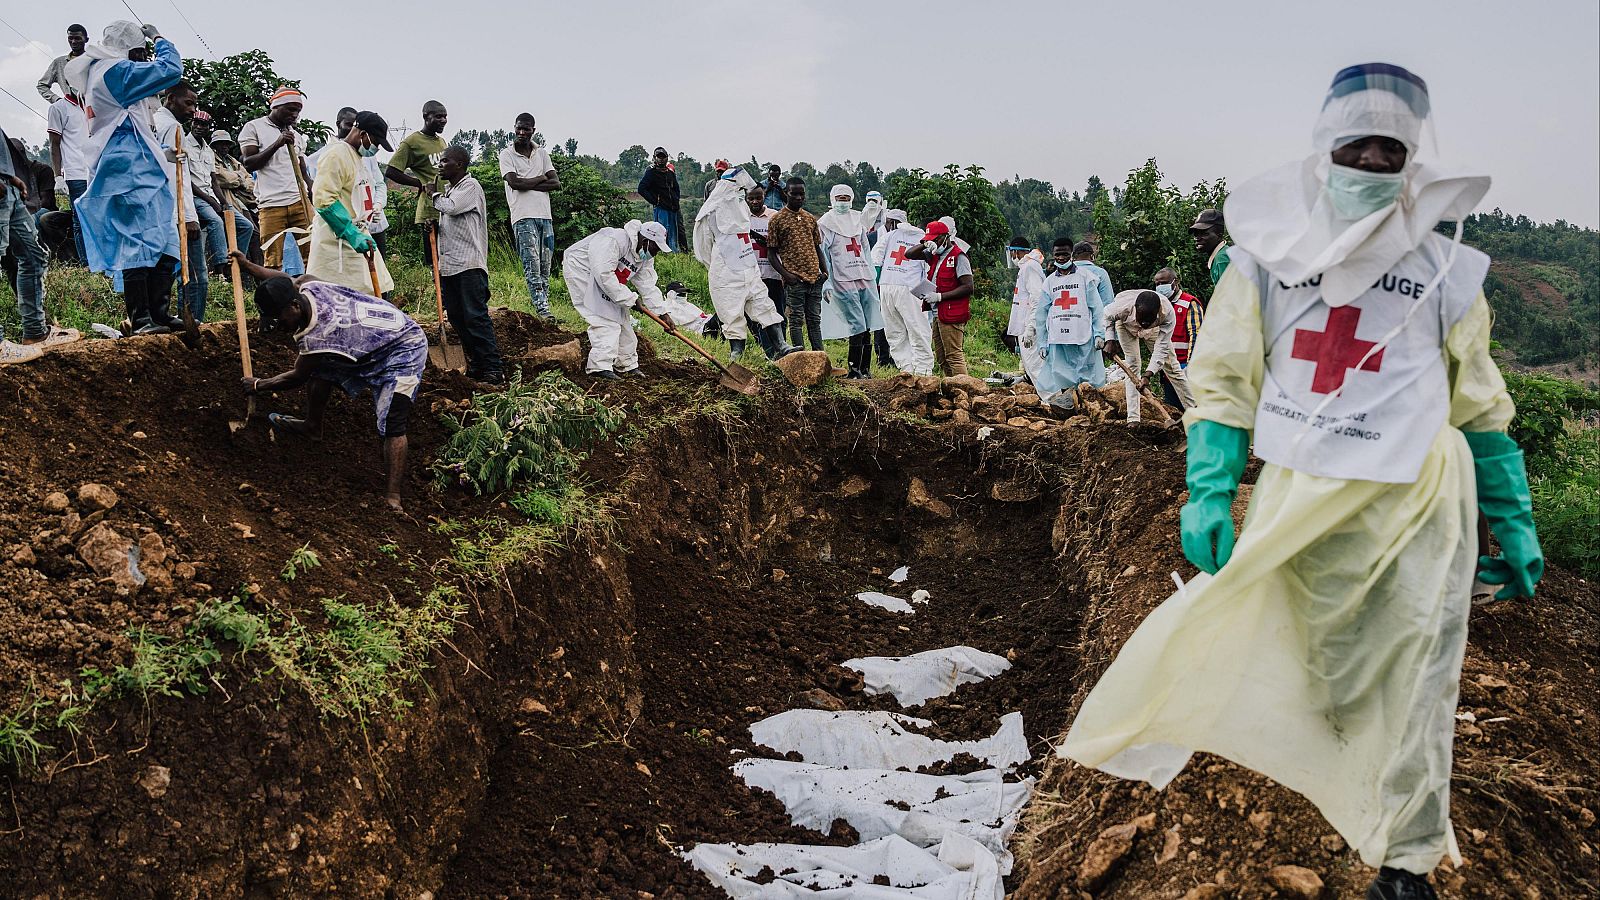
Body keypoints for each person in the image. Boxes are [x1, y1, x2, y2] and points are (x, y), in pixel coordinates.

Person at [1059, 63, 1542, 900]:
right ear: (1326, 153)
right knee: (1329, 660)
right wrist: (1210, 489)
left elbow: (1480, 407)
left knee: (1423, 678)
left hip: (1422, 498)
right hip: (1304, 493)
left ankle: (1406, 865)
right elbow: (1225, 385)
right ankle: (1334, 749)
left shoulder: (1447, 272)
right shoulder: (1265, 263)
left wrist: (1515, 517)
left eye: (1389, 151)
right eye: (1357, 148)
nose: (1372, 163)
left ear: (1412, 161)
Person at [230, 252, 427, 513]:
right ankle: (312, 427)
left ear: (294, 306)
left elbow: (297, 376)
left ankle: (393, 496)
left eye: (280, 319)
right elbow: (284, 278)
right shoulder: (308, 285)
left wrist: (258, 385)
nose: (279, 327)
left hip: (404, 347)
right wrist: (247, 265)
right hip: (370, 339)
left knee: (392, 421)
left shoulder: (318, 336)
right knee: (322, 370)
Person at [66, 21, 188, 336]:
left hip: (135, 164)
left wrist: (161, 153)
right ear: (129, 48)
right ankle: (142, 318)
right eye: (140, 51)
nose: (142, 58)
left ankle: (159, 313)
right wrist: (159, 38)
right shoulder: (115, 71)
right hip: (130, 170)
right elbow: (171, 70)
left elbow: (126, 125)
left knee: (162, 239)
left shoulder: (99, 73)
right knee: (139, 241)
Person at [693, 165, 792, 361]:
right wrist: (719, 267)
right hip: (725, 271)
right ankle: (736, 353)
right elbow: (703, 248)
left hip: (748, 265)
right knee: (731, 312)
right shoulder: (710, 213)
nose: (741, 194)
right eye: (737, 189)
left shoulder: (742, 207)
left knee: (764, 304)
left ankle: (781, 345)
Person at [426, 146, 504, 384]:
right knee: (457, 317)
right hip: (450, 265)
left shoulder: (470, 187)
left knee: (475, 316)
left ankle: (493, 368)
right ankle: (477, 364)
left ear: (459, 164)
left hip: (469, 265)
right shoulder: (451, 191)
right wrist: (434, 228)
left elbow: (452, 208)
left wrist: (433, 194)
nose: (440, 165)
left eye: (445, 161)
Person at [564, 219, 671, 379]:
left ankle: (626, 364)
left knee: (622, 318)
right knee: (605, 320)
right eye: (655, 248)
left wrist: (662, 313)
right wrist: (630, 298)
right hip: (582, 269)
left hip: (607, 279)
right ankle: (599, 367)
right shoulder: (615, 239)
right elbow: (603, 274)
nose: (655, 253)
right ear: (646, 241)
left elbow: (648, 286)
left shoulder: (644, 258)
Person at [308, 109, 396, 302]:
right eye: (376, 142)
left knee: (376, 291)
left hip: (359, 233)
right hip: (337, 241)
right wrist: (350, 231)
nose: (376, 148)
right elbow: (324, 199)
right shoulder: (336, 155)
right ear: (363, 134)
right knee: (343, 298)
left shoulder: (357, 156)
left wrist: (370, 212)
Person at [152, 84, 210, 321]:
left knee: (166, 267)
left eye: (195, 104)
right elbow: (177, 177)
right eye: (188, 103)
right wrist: (187, 216)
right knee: (196, 275)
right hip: (176, 211)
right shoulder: (172, 127)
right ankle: (193, 322)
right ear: (170, 99)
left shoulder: (154, 121)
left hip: (161, 209)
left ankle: (167, 317)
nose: (193, 110)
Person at [240, 87, 312, 270]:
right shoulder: (253, 127)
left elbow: (302, 167)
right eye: (291, 109)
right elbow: (249, 163)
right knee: (273, 262)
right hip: (271, 205)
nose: (295, 115)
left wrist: (311, 189)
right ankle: (276, 290)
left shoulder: (297, 136)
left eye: (298, 111)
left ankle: (311, 288)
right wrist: (277, 144)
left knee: (312, 257)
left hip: (299, 202)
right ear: (276, 106)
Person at [816, 184, 883, 378]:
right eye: (840, 198)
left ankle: (865, 370)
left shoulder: (857, 220)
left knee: (868, 322)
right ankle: (854, 370)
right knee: (857, 323)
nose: (843, 202)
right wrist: (826, 280)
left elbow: (865, 249)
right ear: (832, 199)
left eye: (846, 198)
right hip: (842, 279)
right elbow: (823, 254)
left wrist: (871, 274)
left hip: (863, 276)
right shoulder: (826, 223)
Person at [1030, 237, 1106, 408]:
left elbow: (1097, 307)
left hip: (1083, 335)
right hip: (1058, 338)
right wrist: (1042, 342)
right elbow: (1041, 314)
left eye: (1064, 254)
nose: (1061, 258)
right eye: (1057, 254)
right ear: (1053, 254)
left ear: (1071, 254)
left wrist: (1099, 333)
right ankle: (1069, 409)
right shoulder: (1049, 282)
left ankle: (1089, 409)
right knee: (1061, 375)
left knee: (1087, 376)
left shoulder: (1085, 277)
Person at [498, 113, 560, 319]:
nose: (522, 132)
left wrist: (528, 182)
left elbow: (555, 183)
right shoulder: (506, 154)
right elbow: (514, 183)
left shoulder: (541, 153)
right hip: (523, 216)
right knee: (531, 264)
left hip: (545, 216)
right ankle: (542, 310)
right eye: (519, 128)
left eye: (526, 129)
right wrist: (541, 178)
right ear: (514, 128)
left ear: (533, 130)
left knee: (545, 266)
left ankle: (545, 307)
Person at [1103, 288, 1194, 421]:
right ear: (1135, 309)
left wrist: (1148, 375)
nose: (1144, 323)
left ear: (1157, 313)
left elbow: (1161, 348)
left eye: (1148, 319)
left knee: (1172, 367)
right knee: (1133, 364)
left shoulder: (1167, 314)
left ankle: (1195, 412)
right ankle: (1133, 419)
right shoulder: (1121, 307)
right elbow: (1107, 315)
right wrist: (1110, 340)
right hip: (1126, 325)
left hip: (1154, 330)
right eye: (1142, 318)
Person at [904, 220, 973, 377]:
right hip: (938, 313)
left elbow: (968, 287)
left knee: (954, 355)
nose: (934, 243)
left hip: (951, 312)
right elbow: (909, 254)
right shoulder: (935, 255)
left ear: (946, 237)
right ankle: (952, 385)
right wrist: (924, 244)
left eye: (936, 239)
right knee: (942, 358)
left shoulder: (958, 257)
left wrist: (940, 296)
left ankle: (964, 387)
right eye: (930, 240)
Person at [767, 177, 826, 352]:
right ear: (786, 193)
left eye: (802, 194)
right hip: (795, 280)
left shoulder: (810, 218)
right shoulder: (777, 220)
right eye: (794, 194)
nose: (799, 198)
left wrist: (825, 272)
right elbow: (771, 254)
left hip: (815, 278)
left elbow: (817, 247)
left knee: (814, 320)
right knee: (796, 320)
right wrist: (787, 276)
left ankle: (820, 357)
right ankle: (800, 358)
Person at [385, 99, 449, 257]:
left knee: (449, 256)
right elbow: (391, 171)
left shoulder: (441, 141)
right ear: (426, 117)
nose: (443, 120)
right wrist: (419, 184)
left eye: (445, 116)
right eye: (438, 116)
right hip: (430, 210)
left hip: (448, 206)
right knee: (434, 259)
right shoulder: (412, 142)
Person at [873, 210, 933, 375]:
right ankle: (923, 371)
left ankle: (906, 369)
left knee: (894, 332)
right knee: (918, 329)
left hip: (887, 285)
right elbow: (930, 269)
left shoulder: (889, 236)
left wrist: (876, 285)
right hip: (911, 288)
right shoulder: (923, 239)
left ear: (893, 222)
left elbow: (875, 260)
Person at [46, 89, 89, 264]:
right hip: (75, 172)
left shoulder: (93, 103)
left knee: (99, 216)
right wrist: (58, 176)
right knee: (80, 219)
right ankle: (87, 263)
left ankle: (102, 260)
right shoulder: (59, 108)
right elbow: (54, 144)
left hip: (95, 170)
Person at [1153, 267, 1204, 406]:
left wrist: (1191, 365)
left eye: (1163, 283)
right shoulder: (1160, 304)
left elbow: (1197, 335)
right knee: (1172, 406)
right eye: (1157, 284)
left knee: (1191, 405)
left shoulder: (1189, 303)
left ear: (1175, 282)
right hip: (1168, 367)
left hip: (1185, 365)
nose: (1160, 286)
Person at [208, 129, 258, 259]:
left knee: (255, 232)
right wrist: (240, 179)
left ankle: (246, 264)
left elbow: (250, 182)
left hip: (242, 201)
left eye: (227, 143)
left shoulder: (232, 160)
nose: (225, 146)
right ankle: (236, 262)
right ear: (214, 145)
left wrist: (238, 180)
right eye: (221, 143)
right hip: (226, 200)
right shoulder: (211, 158)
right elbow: (223, 179)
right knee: (248, 229)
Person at [1005, 239, 1047, 383]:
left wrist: (1031, 326)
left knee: (1035, 365)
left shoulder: (1030, 267)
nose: (1012, 257)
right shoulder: (1026, 267)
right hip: (1025, 323)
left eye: (1012, 252)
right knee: (1030, 366)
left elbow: (1037, 298)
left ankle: (1049, 395)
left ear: (1016, 252)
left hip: (1030, 325)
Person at [746, 184, 784, 322]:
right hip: (750, 276)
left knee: (778, 313)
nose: (755, 201)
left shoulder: (775, 216)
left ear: (764, 197)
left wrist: (771, 244)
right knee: (754, 317)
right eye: (751, 198)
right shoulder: (742, 218)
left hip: (773, 274)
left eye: (758, 198)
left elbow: (785, 244)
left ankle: (780, 336)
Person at [637, 147, 682, 252]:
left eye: (663, 157)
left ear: (667, 158)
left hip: (673, 208)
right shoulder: (651, 173)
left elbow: (676, 189)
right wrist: (654, 201)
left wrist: (676, 200)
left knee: (672, 235)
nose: (661, 159)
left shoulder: (670, 173)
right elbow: (641, 189)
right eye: (659, 157)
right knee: (661, 233)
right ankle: (661, 253)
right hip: (661, 208)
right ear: (655, 158)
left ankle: (673, 253)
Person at [37, 24, 89, 103]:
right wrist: (57, 100)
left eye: (77, 38)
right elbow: (42, 85)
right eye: (70, 38)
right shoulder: (59, 63)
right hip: (72, 107)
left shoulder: (94, 61)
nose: (73, 42)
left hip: (95, 107)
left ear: (86, 39)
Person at [1190, 208, 1231, 290]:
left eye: (1204, 234)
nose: (1197, 238)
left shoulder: (1222, 259)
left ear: (1219, 235)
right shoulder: (1221, 254)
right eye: (1196, 234)